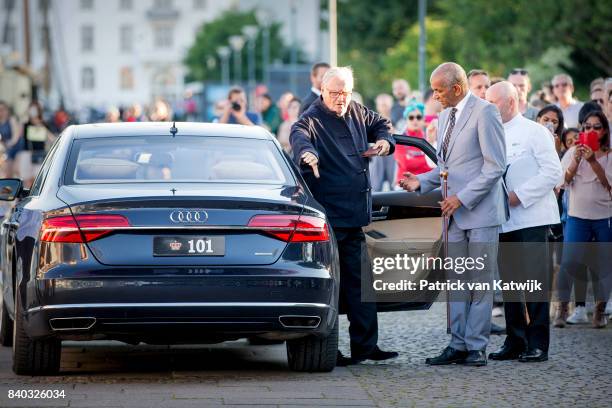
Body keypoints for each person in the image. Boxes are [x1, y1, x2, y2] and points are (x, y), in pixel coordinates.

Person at [290, 66, 398, 366]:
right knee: (333, 289)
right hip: (330, 220)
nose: (341, 99)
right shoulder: (310, 118)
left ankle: (366, 347)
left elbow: (381, 123)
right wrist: (306, 154)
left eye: (346, 93)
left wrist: (385, 142)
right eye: (336, 93)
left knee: (362, 284)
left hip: (356, 214)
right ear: (323, 90)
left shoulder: (356, 110)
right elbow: (299, 137)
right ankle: (329, 350)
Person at [400, 62, 507, 367]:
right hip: (454, 215)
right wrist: (421, 180)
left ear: (457, 88)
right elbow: (448, 167)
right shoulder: (445, 115)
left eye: (438, 90)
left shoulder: (486, 112)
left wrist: (462, 198)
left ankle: (476, 346)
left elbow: (495, 166)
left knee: (479, 282)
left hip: (480, 212)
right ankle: (457, 343)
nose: (435, 97)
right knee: (457, 281)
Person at [485, 82, 562, 363]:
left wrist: (521, 195)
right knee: (510, 285)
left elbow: (553, 171)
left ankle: (538, 343)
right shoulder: (491, 133)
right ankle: (515, 340)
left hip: (531, 217)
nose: (488, 107)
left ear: (511, 102)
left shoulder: (535, 132)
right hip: (503, 221)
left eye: (493, 102)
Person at [555, 111, 611, 329]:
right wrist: (576, 161)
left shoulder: (608, 154)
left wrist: (593, 161)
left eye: (596, 127)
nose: (591, 131)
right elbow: (563, 183)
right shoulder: (573, 151)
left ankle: (599, 310)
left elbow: (608, 185)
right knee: (569, 262)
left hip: (604, 216)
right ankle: (562, 308)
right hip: (577, 217)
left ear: (604, 130)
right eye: (587, 127)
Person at [17, 101, 54, 187]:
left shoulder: (44, 123)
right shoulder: (25, 123)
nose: (33, 111)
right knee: (26, 179)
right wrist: (25, 115)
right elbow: (19, 135)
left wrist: (40, 125)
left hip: (39, 154)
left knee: (37, 178)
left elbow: (51, 138)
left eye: (35, 109)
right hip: (27, 153)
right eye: (31, 109)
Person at [394, 101, 431, 186]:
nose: (415, 120)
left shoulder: (429, 138)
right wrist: (426, 160)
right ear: (406, 120)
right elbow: (406, 164)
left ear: (423, 119)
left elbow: (434, 165)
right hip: (404, 185)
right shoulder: (399, 139)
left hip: (426, 184)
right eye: (411, 117)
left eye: (418, 117)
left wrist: (413, 160)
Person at [369, 93, 397, 191]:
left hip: (393, 154)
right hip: (377, 155)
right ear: (378, 106)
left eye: (386, 105)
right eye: (382, 105)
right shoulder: (372, 120)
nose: (385, 108)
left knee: (393, 182)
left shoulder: (396, 120)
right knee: (375, 185)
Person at [0, 101, 21, 177]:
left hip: (16, 148)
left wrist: (9, 144)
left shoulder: (12, 120)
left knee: (15, 170)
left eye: (2, 109)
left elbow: (15, 136)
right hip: (6, 149)